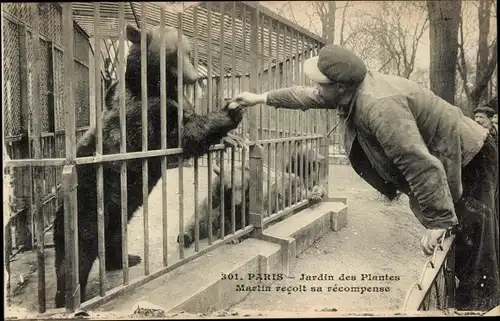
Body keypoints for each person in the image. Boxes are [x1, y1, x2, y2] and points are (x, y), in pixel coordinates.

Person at [231, 44, 499, 311]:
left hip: (471, 156)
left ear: (340, 87)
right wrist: (260, 98)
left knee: (477, 251)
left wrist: (438, 221)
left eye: (321, 84)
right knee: (463, 243)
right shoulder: (349, 89)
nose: (317, 89)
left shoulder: (380, 107)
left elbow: (417, 164)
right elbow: (306, 96)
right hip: (450, 157)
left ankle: (479, 307)